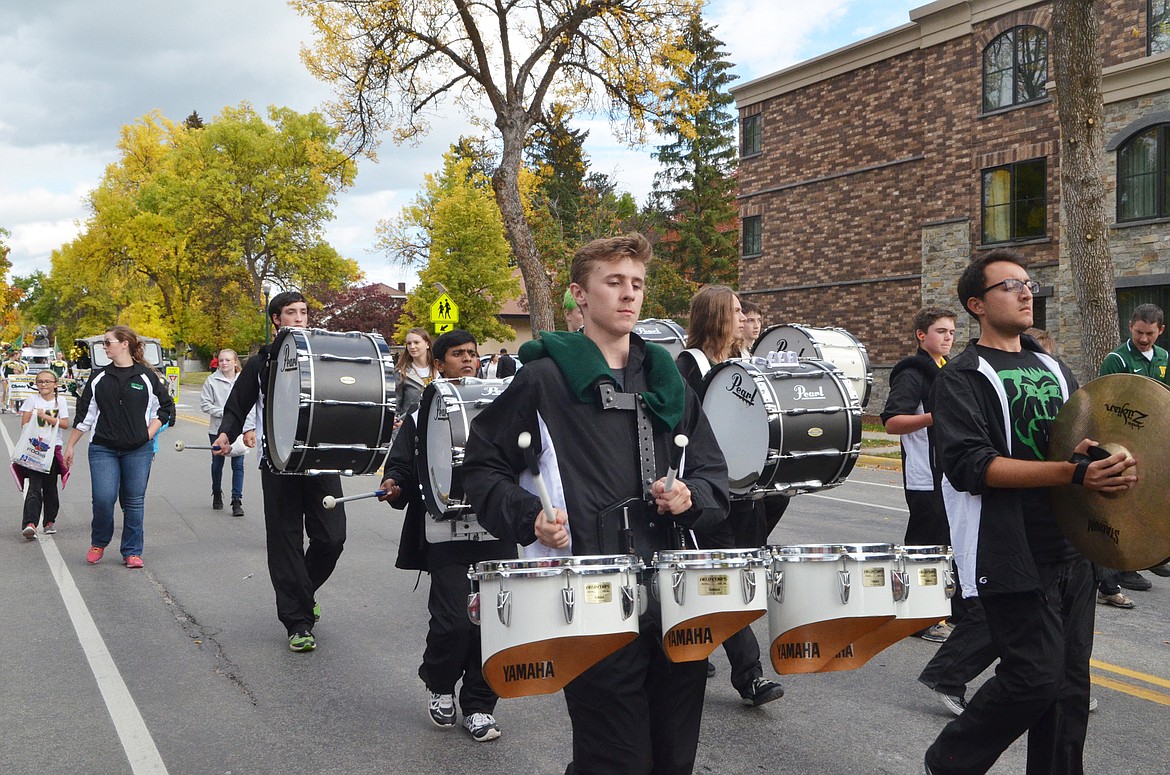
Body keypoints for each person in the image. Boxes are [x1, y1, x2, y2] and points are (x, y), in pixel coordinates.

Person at [463, 232, 730, 775]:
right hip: (589, 594)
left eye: (636, 284)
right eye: (614, 283)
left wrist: (689, 495)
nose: (629, 295)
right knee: (616, 760)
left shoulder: (670, 382)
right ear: (580, 296)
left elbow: (713, 476)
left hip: (674, 595)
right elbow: (481, 468)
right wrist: (529, 517)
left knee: (674, 760)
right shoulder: (543, 378)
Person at [923, 249, 1136, 775]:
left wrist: (1110, 459)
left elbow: (1078, 440)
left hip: (1073, 545)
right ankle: (950, 760)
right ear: (976, 304)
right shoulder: (962, 376)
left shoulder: (1051, 366)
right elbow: (975, 466)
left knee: (1068, 688)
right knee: (1033, 677)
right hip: (1011, 547)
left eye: (1028, 284)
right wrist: (1070, 473)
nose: (1026, 292)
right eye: (1010, 285)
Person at [379, 329, 516, 742]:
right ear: (439, 365)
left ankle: (479, 705)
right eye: (459, 355)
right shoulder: (423, 415)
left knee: (494, 623)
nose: (469, 360)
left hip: (495, 531)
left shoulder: (502, 408)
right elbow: (401, 465)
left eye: (473, 353)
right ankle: (439, 682)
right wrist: (393, 482)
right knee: (454, 622)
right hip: (444, 533)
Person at [213, 291, 346, 653]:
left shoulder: (324, 358)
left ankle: (302, 592)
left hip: (320, 461)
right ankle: (298, 622)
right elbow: (237, 405)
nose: (300, 318)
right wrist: (227, 433)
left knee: (332, 539)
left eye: (304, 312)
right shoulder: (263, 362)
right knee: (285, 542)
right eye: (291, 312)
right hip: (278, 463)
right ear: (276, 320)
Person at [676, 285, 785, 707]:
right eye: (735, 311)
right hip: (709, 490)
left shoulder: (742, 363)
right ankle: (750, 677)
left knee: (727, 578)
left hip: (746, 492)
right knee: (729, 580)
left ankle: (692, 642)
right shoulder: (690, 364)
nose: (743, 318)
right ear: (715, 316)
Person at [64, 326, 175, 569]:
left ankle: (132, 551)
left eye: (108, 342)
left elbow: (165, 408)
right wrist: (70, 445)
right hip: (104, 447)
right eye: (104, 343)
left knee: (134, 501)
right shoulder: (99, 377)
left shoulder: (146, 376)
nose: (105, 347)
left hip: (138, 449)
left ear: (124, 343)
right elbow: (85, 415)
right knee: (103, 498)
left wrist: (148, 432)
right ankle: (99, 542)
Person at [880, 307, 957, 642]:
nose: (948, 338)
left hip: (950, 474)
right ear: (921, 335)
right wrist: (933, 417)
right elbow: (891, 422)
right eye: (941, 331)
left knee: (946, 545)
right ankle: (917, 617)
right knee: (925, 547)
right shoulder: (913, 373)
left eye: (951, 332)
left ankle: (940, 610)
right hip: (925, 474)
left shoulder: (948, 370)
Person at [1097, 303, 1170, 588]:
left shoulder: (1164, 357)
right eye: (1139, 332)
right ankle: (1123, 568)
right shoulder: (1117, 358)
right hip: (1124, 440)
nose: (1143, 339)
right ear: (1130, 327)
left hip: (1154, 440)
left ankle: (1149, 556)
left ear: (1160, 331)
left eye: (1149, 334)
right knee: (1124, 502)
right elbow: (1106, 398)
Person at [16, 370, 70, 538]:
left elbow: (65, 424)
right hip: (35, 450)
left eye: (47, 381)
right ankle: (30, 523)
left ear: (55, 384)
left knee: (50, 487)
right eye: (40, 382)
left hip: (53, 450)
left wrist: (45, 417)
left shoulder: (60, 401)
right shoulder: (32, 400)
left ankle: (49, 521)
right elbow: (24, 423)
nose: (43, 384)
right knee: (33, 486)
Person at [200, 349, 249, 516]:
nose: (224, 363)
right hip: (217, 429)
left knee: (238, 465)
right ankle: (216, 492)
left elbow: (250, 405)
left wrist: (248, 427)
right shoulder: (211, 381)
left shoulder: (243, 381)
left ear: (235, 362)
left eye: (228, 360)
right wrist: (227, 413)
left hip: (238, 430)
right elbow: (205, 405)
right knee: (217, 464)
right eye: (221, 360)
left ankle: (237, 500)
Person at [394, 328, 433, 429]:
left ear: (427, 344)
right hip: (409, 429)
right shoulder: (401, 373)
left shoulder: (440, 371)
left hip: (434, 428)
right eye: (409, 343)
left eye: (416, 342)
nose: (412, 347)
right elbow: (395, 404)